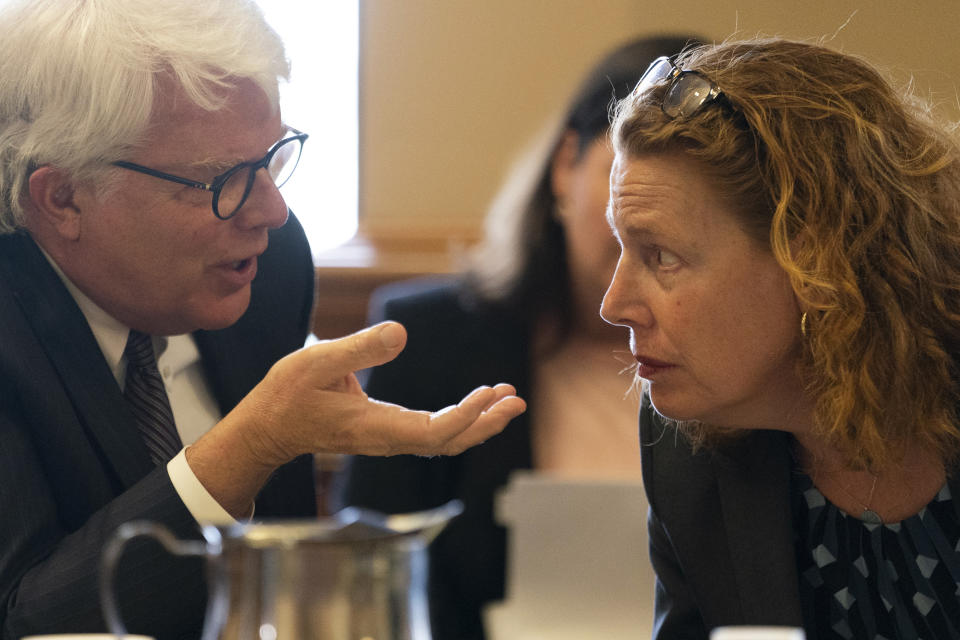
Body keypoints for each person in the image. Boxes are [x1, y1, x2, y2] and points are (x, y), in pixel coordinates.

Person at [0, 1, 526, 639]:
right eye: (219, 179)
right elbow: (27, 619)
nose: (272, 212)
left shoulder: (268, 269)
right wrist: (251, 444)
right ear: (62, 199)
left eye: (271, 157)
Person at [337, 34, 702, 640]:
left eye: (691, 202)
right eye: (632, 178)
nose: (653, 227)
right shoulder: (429, 342)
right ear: (566, 165)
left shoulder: (750, 365)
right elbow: (368, 579)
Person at [600, 37, 960, 639]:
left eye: (660, 255)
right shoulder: (688, 447)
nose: (613, 305)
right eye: (621, 247)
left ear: (817, 262)